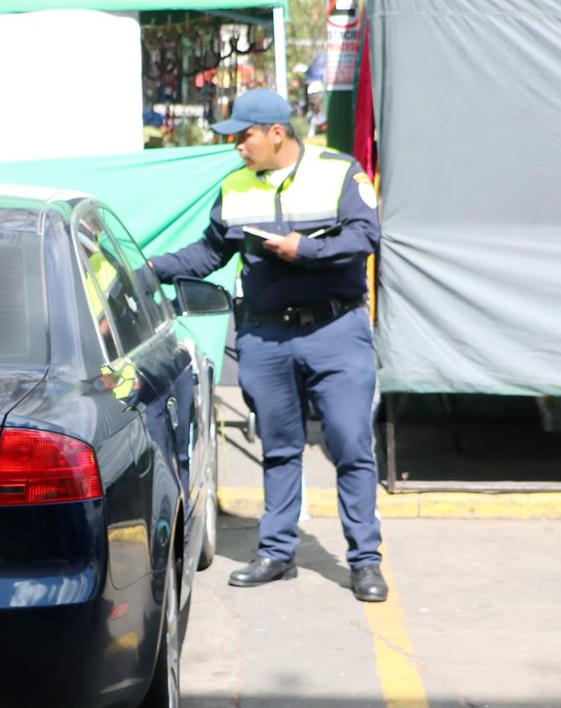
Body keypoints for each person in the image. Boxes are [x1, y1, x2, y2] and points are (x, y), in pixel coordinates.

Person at [148, 88, 387, 602]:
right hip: (266, 335)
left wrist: (308, 250)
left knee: (350, 444)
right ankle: (277, 553)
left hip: (335, 331)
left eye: (244, 135)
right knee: (278, 448)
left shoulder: (338, 172)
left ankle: (365, 560)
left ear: (277, 133)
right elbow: (208, 253)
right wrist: (150, 270)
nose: (237, 146)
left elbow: (366, 237)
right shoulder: (235, 186)